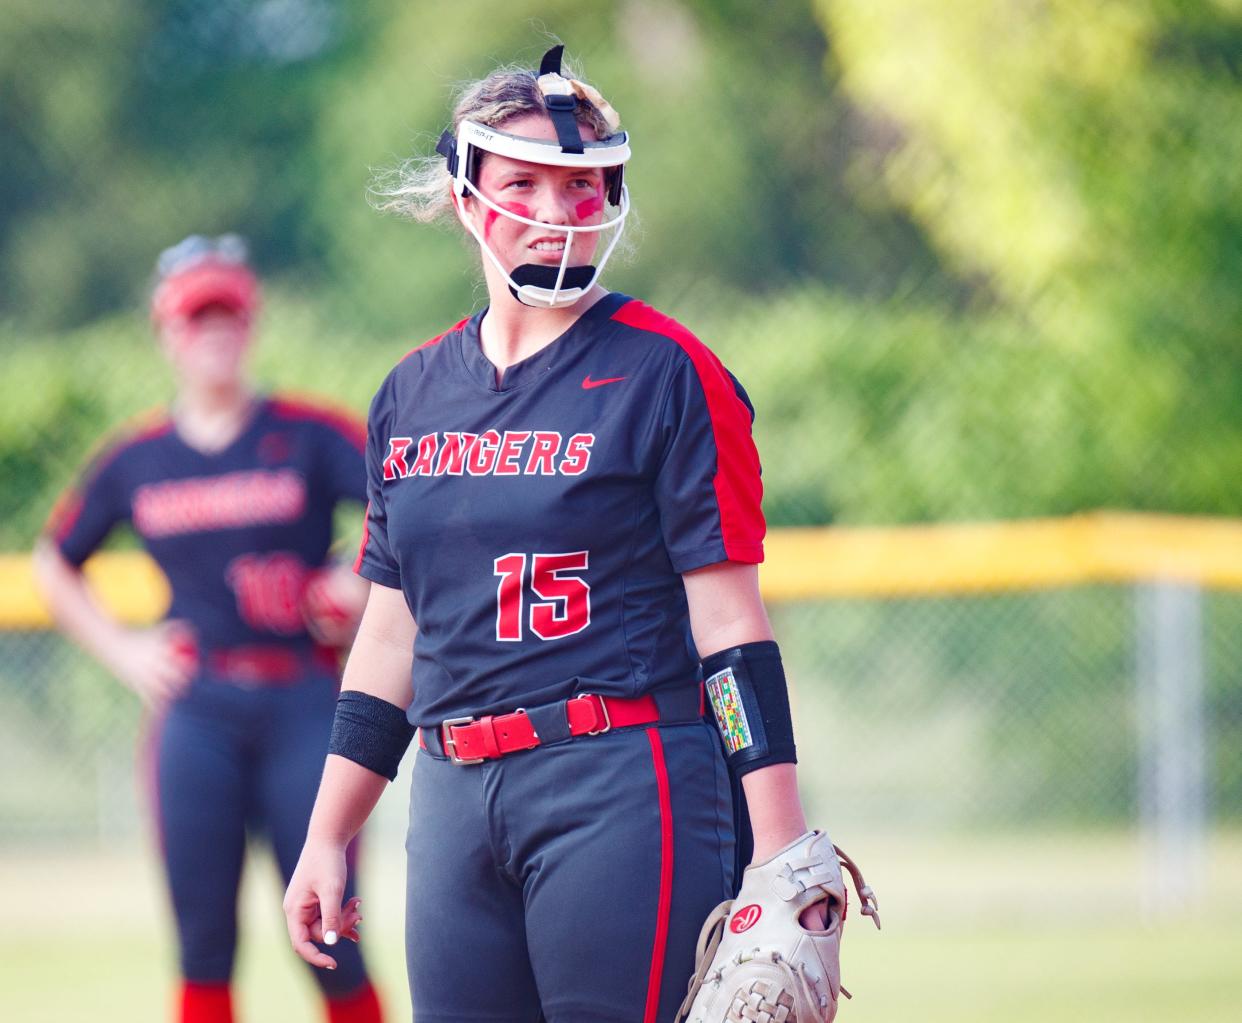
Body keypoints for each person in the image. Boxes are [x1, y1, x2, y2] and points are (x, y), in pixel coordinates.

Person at [283, 45, 871, 1023]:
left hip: (623, 777)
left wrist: (780, 844)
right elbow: (390, 638)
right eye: (526, 182)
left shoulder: (670, 371)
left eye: (585, 185)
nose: (560, 210)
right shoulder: (412, 392)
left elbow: (729, 629)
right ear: (468, 198)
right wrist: (326, 835)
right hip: (452, 792)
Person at [33, 235, 385, 1023]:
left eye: (229, 316)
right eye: (198, 320)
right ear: (167, 333)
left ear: (252, 324)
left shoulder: (305, 432)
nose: (215, 335)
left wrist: (357, 576)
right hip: (199, 711)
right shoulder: (138, 458)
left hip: (304, 703)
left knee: (334, 938)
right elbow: (54, 562)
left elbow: (405, 505)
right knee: (203, 946)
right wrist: (123, 650)